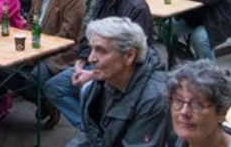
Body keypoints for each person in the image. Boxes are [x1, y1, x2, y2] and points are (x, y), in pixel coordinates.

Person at [44, 0, 156, 130]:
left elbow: (137, 57)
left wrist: (95, 74)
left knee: (86, 90)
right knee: (54, 87)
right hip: (93, 62)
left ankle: (100, 132)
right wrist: (80, 63)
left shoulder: (136, 7)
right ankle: (92, 130)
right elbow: (88, 35)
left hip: (120, 72)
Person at [6, 0, 85, 128]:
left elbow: (67, 35)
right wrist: (23, 41)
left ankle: (50, 105)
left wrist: (37, 50)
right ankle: (44, 102)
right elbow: (32, 21)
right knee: (3, 70)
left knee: (35, 76)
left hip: (61, 52)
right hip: (37, 45)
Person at [66, 17, 168, 147]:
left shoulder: (154, 98)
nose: (91, 59)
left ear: (129, 56)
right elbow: (88, 134)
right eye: (91, 49)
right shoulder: (102, 83)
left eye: (101, 50)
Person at [167, 60, 231, 147]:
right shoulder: (176, 140)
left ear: (222, 112)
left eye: (197, 105)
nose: (184, 112)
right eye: (178, 101)